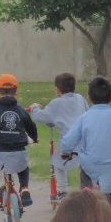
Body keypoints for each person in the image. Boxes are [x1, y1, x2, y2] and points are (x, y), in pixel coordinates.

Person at [61, 77, 111, 221]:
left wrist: (66, 153)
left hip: (89, 167)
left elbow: (67, 142)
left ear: (89, 97)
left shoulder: (84, 118)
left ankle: (86, 215)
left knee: (86, 189)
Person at [0, 74, 38, 209]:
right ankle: (24, 188)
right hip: (19, 150)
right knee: (23, 167)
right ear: (16, 91)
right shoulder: (22, 111)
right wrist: (34, 138)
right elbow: (31, 127)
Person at [28, 72, 89, 201]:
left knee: (58, 163)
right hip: (85, 140)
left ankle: (62, 191)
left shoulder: (57, 102)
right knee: (85, 166)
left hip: (68, 141)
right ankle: (88, 189)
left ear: (58, 89)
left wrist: (34, 108)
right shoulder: (80, 99)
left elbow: (41, 117)